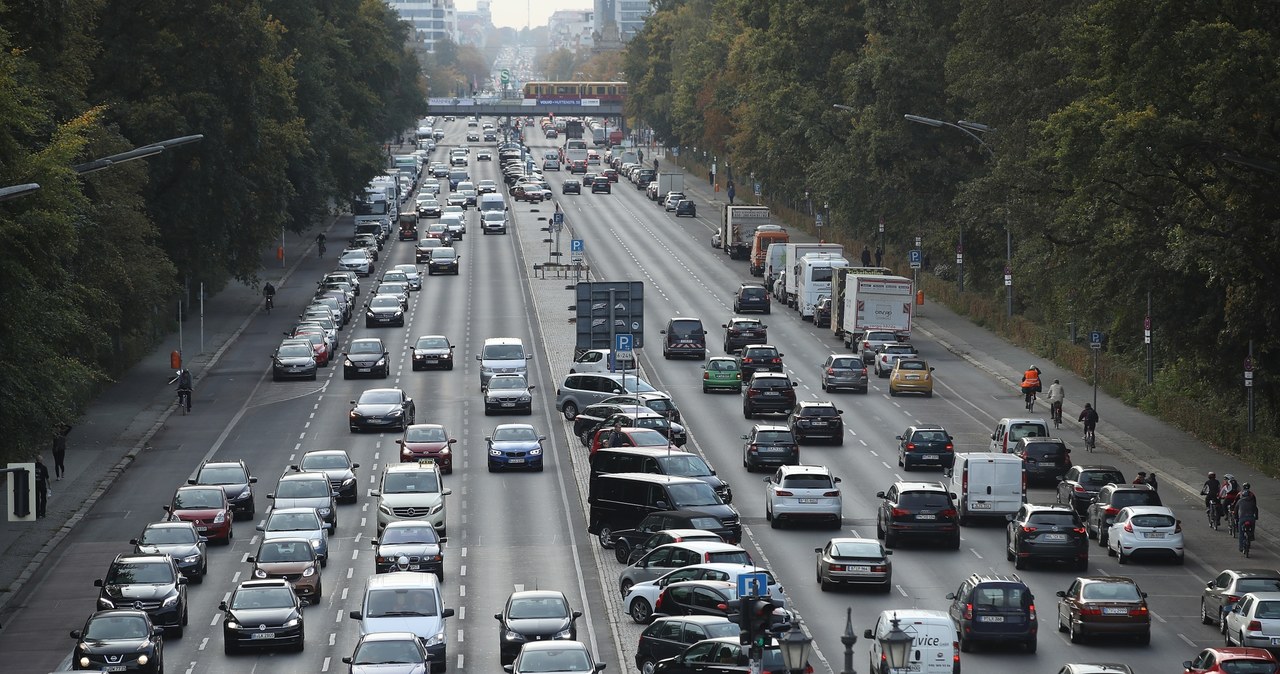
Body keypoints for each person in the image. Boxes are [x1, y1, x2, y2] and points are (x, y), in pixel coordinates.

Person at [1236, 483, 1259, 551]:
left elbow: (1236, 509)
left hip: (1242, 518)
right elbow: (1256, 509)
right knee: (1252, 527)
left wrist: (1236, 517)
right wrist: (1256, 517)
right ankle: (1251, 536)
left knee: (1241, 533)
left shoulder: (1240, 501)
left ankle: (1241, 547)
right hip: (1251, 518)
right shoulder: (1252, 500)